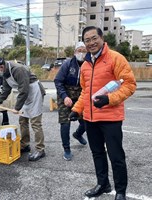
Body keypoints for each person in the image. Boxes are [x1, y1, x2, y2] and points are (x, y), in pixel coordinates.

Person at [69, 26, 136, 200]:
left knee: (116, 156)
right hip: (90, 118)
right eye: (87, 40)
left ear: (101, 38)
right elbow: (85, 92)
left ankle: (120, 191)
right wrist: (77, 110)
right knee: (97, 153)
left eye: (93, 38)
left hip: (111, 118)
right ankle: (103, 184)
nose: (91, 43)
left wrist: (109, 99)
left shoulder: (115, 58)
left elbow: (129, 85)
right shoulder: (85, 65)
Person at [0, 55, 46, 161]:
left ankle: (40, 149)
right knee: (22, 120)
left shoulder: (18, 69)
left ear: (1, 66)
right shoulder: (5, 72)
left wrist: (17, 107)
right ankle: (25, 144)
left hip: (34, 92)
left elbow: (24, 90)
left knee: (35, 122)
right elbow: (6, 90)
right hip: (25, 94)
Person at [54, 42, 87, 161]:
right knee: (65, 123)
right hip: (65, 95)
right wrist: (64, 96)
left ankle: (78, 134)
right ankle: (67, 149)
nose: (81, 53)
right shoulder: (67, 64)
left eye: (84, 50)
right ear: (74, 52)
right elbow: (58, 81)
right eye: (79, 50)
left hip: (81, 96)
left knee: (86, 121)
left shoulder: (89, 64)